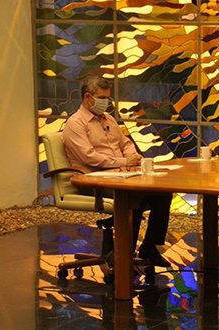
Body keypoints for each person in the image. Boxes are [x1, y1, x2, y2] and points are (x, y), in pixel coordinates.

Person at [62, 75, 172, 267]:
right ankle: (123, 256)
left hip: (121, 175)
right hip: (93, 181)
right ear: (88, 98)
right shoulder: (75, 123)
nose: (106, 103)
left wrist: (132, 158)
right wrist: (122, 161)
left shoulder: (109, 119)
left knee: (163, 192)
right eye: (102, 98)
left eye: (107, 98)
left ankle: (149, 247)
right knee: (132, 198)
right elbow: (88, 156)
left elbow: (125, 143)